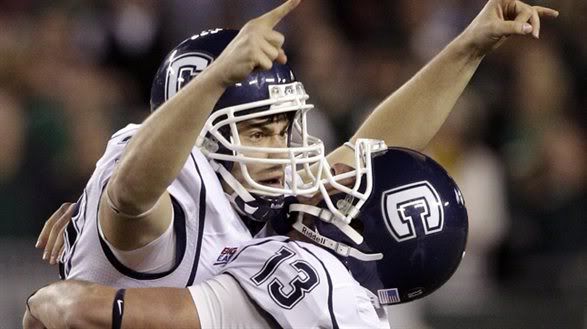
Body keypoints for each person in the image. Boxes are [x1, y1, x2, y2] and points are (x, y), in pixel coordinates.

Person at [35, 0, 557, 300]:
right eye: (258, 132)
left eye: (283, 130)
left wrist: (470, 44)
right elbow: (131, 194)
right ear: (195, 137)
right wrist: (216, 79)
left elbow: (369, 145)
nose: (281, 150)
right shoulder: (160, 189)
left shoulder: (252, 187)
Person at [24, 147, 469, 329]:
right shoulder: (364, 311)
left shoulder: (310, 275)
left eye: (342, 195)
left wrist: (47, 298)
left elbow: (87, 310)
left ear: (365, 234)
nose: (321, 187)